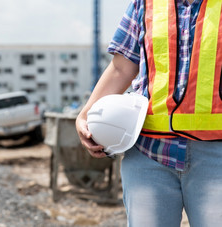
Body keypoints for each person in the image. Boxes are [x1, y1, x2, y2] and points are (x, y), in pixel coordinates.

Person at [75, 0, 222, 226]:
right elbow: (121, 67)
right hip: (149, 154)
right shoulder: (144, 4)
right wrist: (86, 114)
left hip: (216, 157)